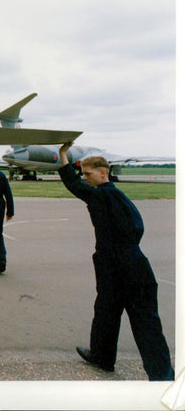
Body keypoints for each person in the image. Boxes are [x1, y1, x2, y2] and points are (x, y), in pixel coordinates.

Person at [57, 142, 174, 381]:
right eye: (84, 174)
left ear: (103, 172)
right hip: (135, 263)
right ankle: (159, 374)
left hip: (116, 265)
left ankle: (106, 357)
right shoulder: (119, 196)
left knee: (123, 316)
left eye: (89, 174)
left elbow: (73, 185)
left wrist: (62, 155)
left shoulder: (101, 195)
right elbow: (137, 228)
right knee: (122, 315)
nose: (85, 178)